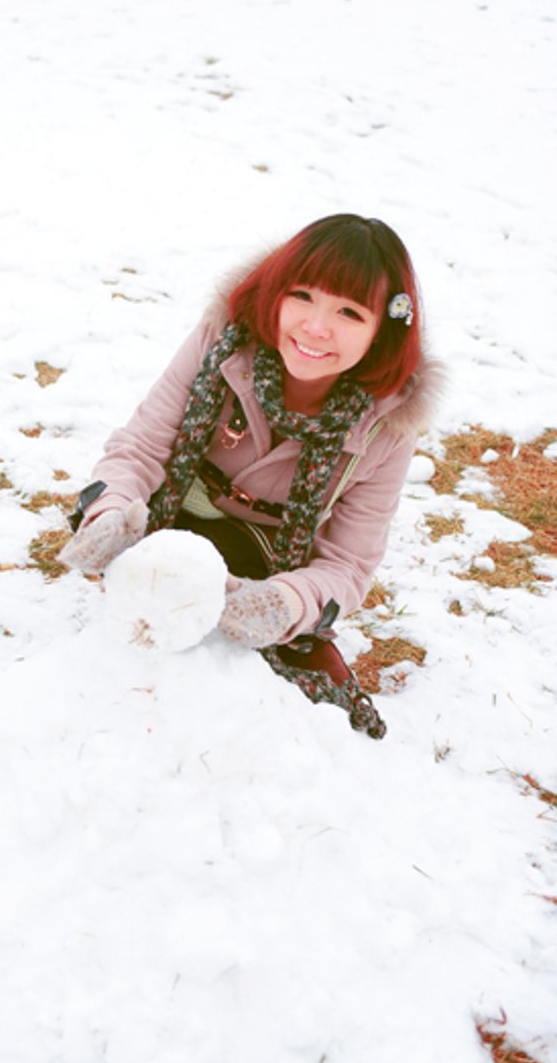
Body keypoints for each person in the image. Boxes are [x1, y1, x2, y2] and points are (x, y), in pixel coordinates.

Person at [59, 213, 443, 735]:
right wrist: (109, 512)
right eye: (303, 296)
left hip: (268, 559)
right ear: (277, 293)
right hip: (172, 519)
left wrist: (282, 604)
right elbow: (141, 446)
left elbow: (348, 565)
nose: (316, 327)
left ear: (380, 333)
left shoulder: (387, 427)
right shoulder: (224, 342)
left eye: (349, 312)